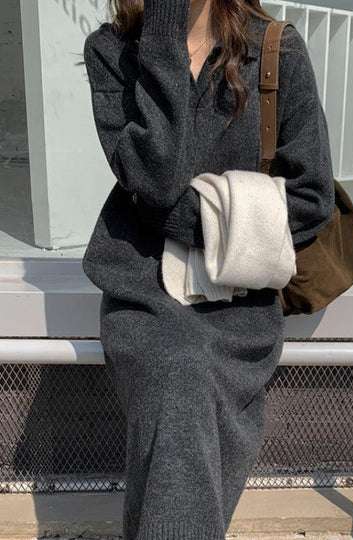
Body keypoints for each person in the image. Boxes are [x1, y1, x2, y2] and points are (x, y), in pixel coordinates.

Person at [82, 0, 335, 537]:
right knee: (177, 379)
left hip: (240, 296)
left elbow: (313, 198)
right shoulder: (113, 52)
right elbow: (153, 174)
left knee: (188, 406)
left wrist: (187, 218)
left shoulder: (277, 50)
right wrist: (164, 38)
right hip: (145, 292)